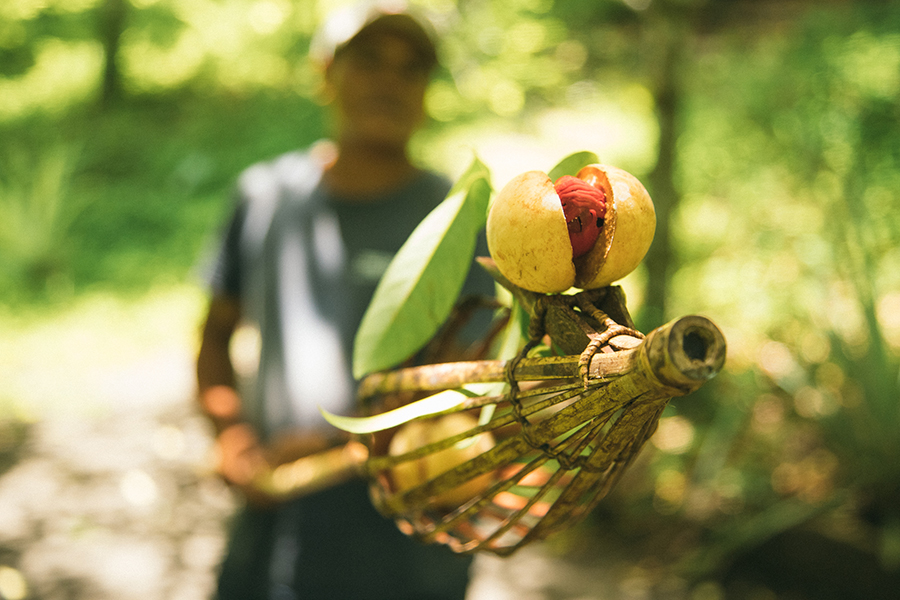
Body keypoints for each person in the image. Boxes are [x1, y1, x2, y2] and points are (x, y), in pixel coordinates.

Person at [196, 3, 492, 599]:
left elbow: (471, 381)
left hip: (408, 534)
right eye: (369, 60)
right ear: (326, 72)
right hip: (280, 521)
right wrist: (231, 436)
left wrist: (349, 445)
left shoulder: (458, 218)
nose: (390, 80)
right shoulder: (265, 197)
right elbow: (214, 336)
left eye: (411, 69)